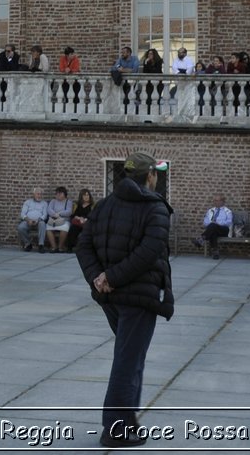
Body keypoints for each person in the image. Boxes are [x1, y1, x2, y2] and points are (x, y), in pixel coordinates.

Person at [74, 150, 173, 449]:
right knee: (127, 362)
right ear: (150, 176)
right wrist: (109, 278)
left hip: (111, 298)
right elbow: (148, 253)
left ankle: (127, 421)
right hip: (137, 296)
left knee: (131, 357)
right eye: (157, 173)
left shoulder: (103, 206)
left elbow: (83, 247)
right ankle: (115, 429)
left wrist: (99, 278)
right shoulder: (154, 208)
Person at [198, 195, 233, 259]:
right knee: (213, 231)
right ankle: (215, 253)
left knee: (213, 226)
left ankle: (202, 239)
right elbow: (205, 222)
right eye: (214, 201)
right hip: (213, 229)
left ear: (222, 202)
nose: (215, 202)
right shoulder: (210, 210)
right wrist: (213, 223)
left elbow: (229, 222)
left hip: (224, 230)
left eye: (217, 201)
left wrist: (218, 223)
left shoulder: (227, 211)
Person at [45, 185, 74, 252]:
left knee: (65, 228)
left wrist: (59, 214)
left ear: (64, 194)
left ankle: (60, 247)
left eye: (60, 193)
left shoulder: (68, 202)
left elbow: (69, 212)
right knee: (48, 228)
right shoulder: (53, 201)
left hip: (64, 220)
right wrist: (54, 214)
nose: (58, 195)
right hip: (53, 220)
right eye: (57, 193)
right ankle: (54, 247)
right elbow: (49, 209)